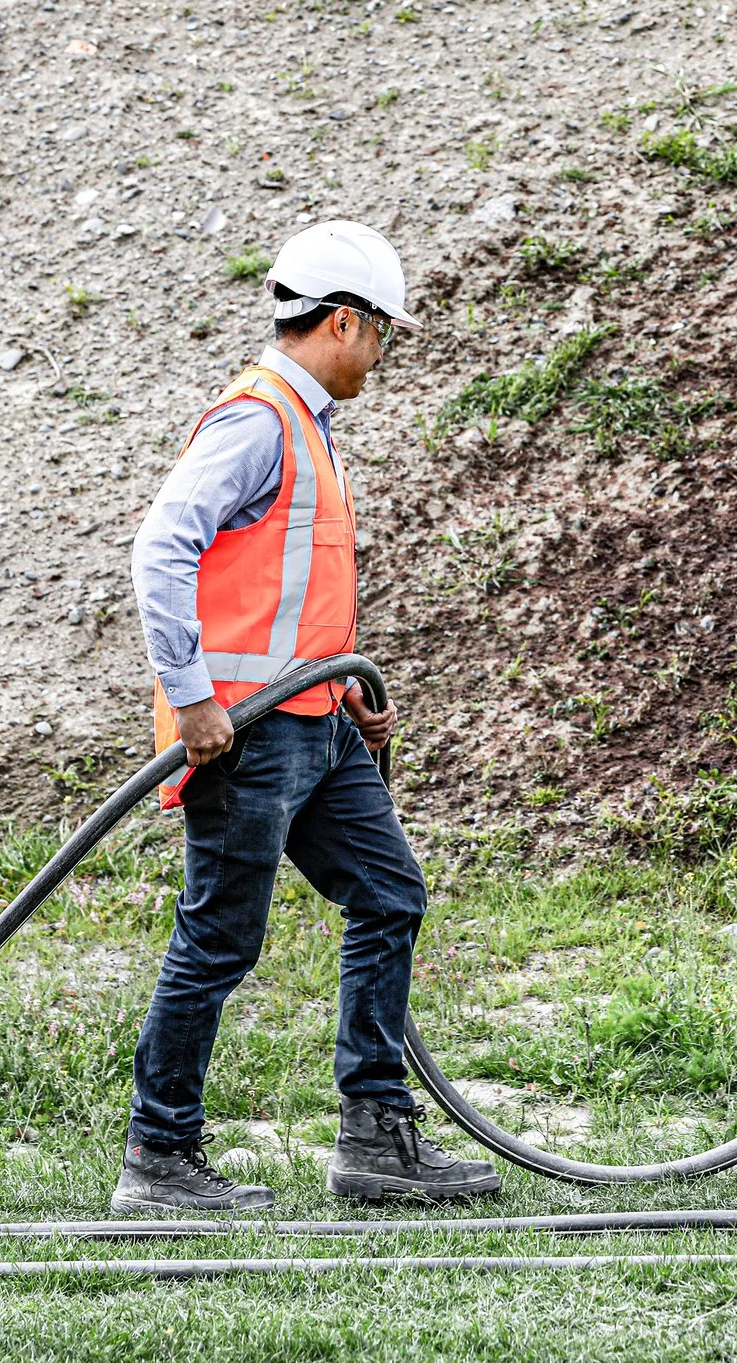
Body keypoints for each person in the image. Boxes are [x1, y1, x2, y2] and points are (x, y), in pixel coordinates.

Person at [115, 220, 499, 1212]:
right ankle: (158, 1157)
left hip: (317, 723)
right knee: (219, 939)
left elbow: (289, 588)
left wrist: (348, 692)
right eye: (380, 332)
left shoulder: (306, 425)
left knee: (389, 893)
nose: (382, 350)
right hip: (247, 733)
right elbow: (160, 551)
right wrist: (195, 699)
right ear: (341, 322)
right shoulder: (256, 420)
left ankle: (376, 1135)